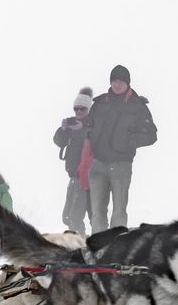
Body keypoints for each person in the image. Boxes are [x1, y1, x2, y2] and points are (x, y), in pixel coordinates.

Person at [83, 65, 157, 232]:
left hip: (121, 167)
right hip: (98, 165)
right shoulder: (100, 103)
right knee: (97, 212)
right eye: (114, 80)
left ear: (128, 83)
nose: (117, 84)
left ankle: (116, 248)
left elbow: (152, 135)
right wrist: (91, 137)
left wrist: (130, 140)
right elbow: (89, 127)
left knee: (118, 212)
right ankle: (97, 249)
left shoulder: (138, 106)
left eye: (121, 81)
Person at [54, 87, 94, 236]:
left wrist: (81, 130)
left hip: (87, 176)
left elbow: (96, 142)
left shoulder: (94, 124)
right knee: (68, 216)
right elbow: (58, 141)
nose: (78, 112)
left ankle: (81, 244)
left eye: (82, 109)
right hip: (73, 175)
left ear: (89, 109)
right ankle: (82, 241)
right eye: (76, 109)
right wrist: (64, 129)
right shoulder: (73, 124)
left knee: (76, 216)